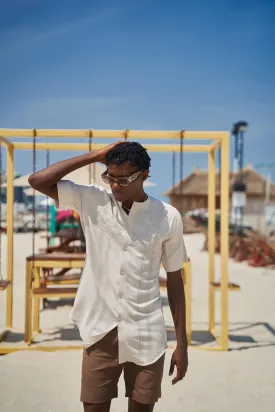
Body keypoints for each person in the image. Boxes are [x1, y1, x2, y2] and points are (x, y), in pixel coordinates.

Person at [28, 141, 189, 412]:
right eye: (110, 177)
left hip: (147, 330)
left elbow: (175, 280)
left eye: (124, 178)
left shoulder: (168, 216)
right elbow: (37, 180)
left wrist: (182, 345)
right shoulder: (91, 200)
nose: (115, 185)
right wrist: (94, 156)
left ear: (145, 175)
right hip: (99, 329)